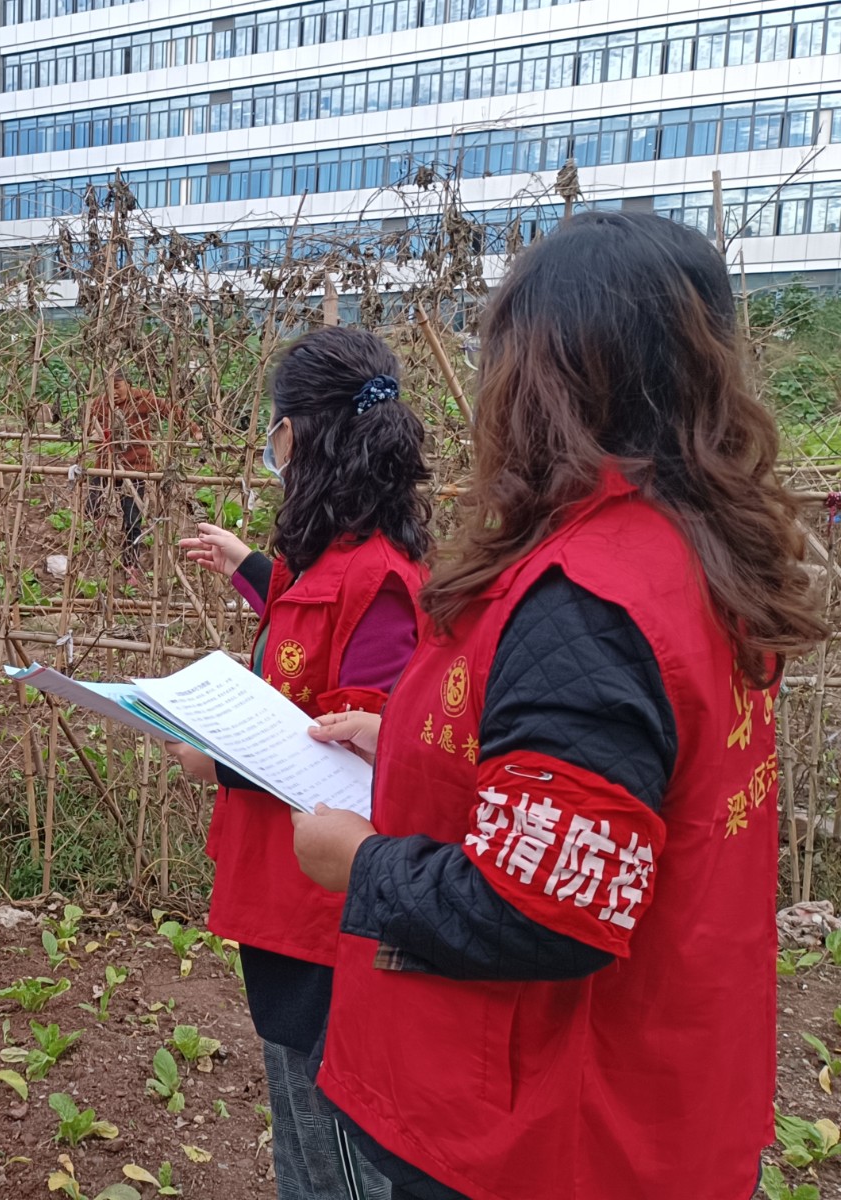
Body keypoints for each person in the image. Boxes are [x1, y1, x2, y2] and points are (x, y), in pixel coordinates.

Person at [291, 211, 825, 1199]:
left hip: (546, 1133)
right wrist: (407, 743)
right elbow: (615, 788)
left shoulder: (587, 597)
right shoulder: (694, 554)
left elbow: (549, 909)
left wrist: (360, 864)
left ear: (542, 378)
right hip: (664, 1089)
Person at [173, 327, 431, 1200]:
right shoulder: (331, 561)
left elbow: (362, 749)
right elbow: (301, 635)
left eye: (275, 427)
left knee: (334, 1142)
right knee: (300, 1116)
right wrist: (247, 565)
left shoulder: (381, 582)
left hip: (324, 908)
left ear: (303, 435)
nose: (270, 445)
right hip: (285, 899)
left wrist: (220, 762)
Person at [86, 370, 198, 570]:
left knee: (132, 519)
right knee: (91, 506)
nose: (114, 393)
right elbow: (86, 426)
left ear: (128, 384)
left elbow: (170, 410)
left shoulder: (142, 398)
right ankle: (96, 547)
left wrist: (193, 429)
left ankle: (131, 565)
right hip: (105, 465)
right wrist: (90, 432)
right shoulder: (99, 403)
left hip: (136, 466)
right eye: (109, 388)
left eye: (118, 387)